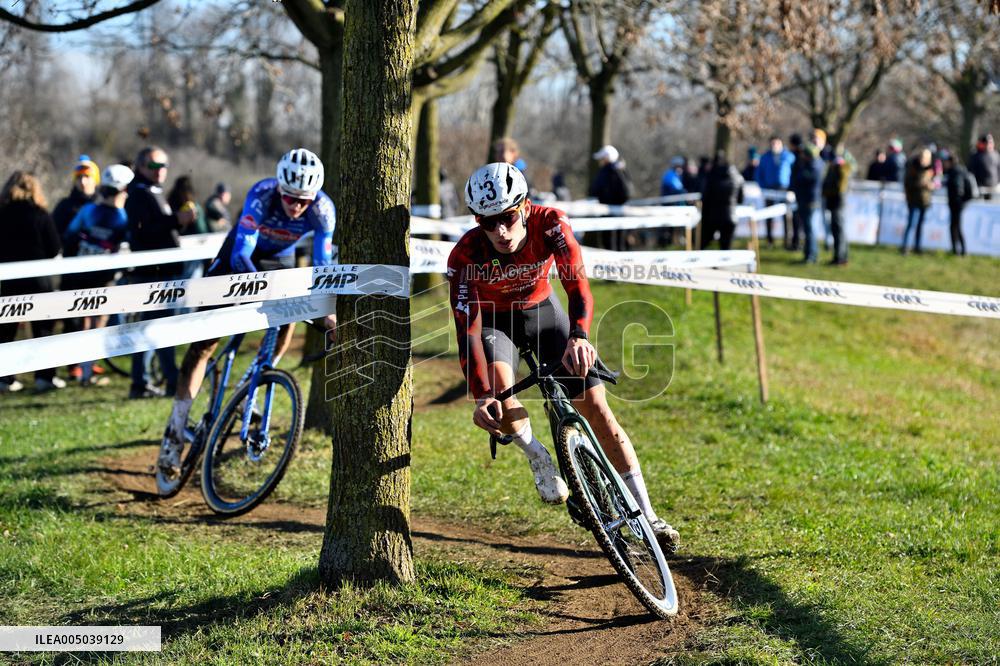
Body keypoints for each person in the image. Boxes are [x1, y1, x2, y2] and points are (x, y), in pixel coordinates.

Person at [448, 162, 680, 552]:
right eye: (488, 222)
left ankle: (649, 516)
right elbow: (466, 327)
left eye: (507, 218)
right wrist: (482, 393)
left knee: (597, 409)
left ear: (523, 206)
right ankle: (538, 457)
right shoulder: (466, 254)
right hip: (493, 323)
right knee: (502, 392)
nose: (500, 231)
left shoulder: (550, 222)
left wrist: (580, 335)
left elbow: (577, 282)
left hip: (543, 312)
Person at [157, 148, 337, 479]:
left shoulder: (324, 209)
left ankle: (248, 387)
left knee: (289, 318)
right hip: (237, 259)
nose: (296, 207)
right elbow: (242, 254)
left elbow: (322, 266)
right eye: (291, 198)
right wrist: (261, 292)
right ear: (280, 188)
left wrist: (327, 312)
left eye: (304, 201)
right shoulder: (262, 194)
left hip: (278, 260)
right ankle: (174, 434)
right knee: (203, 345)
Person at [125, 146, 194, 399]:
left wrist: (181, 222)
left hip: (162, 270)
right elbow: (143, 232)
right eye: (154, 166)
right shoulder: (138, 194)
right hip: (151, 273)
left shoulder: (153, 192)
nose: (160, 171)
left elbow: (162, 231)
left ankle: (142, 383)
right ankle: (170, 381)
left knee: (151, 327)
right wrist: (177, 219)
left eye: (163, 165)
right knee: (160, 327)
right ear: (141, 167)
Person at [62, 164, 135, 385]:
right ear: (123, 191)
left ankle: (85, 371)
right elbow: (129, 242)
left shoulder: (88, 210)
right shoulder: (122, 217)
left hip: (83, 271)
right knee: (97, 322)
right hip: (104, 277)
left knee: (86, 322)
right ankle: (87, 371)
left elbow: (70, 234)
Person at [0, 171, 64, 393]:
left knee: (6, 331)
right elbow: (54, 247)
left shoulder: (2, 214)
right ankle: (44, 377)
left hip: (9, 279)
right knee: (43, 329)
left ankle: (5, 378)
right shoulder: (40, 214)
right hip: (39, 279)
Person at [51, 155, 100, 380]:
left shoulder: (101, 204)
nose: (83, 181)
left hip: (98, 269)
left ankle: (90, 359)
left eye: (87, 177)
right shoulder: (65, 205)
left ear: (95, 179)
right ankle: (72, 364)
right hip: (73, 268)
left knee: (96, 315)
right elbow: (54, 234)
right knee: (73, 318)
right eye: (79, 177)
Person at [588, 145, 632, 249]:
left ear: (606, 158)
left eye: (602, 159)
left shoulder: (606, 171)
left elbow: (594, 190)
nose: (600, 162)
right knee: (620, 242)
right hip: (622, 210)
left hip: (608, 210)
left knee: (609, 242)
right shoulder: (622, 169)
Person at [755, 135, 795, 246]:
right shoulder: (765, 157)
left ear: (781, 143)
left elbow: (794, 172)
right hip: (769, 189)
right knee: (768, 214)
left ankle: (787, 240)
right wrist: (763, 186)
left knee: (786, 215)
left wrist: (792, 188)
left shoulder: (789, 157)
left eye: (776, 143)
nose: (774, 146)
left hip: (784, 189)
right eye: (772, 143)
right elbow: (759, 174)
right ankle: (769, 240)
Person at [700, 150, 744, 251]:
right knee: (726, 249)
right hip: (730, 217)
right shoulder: (738, 178)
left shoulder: (711, 177)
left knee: (701, 246)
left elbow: (705, 198)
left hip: (711, 218)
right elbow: (741, 199)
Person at [791, 141, 825, 263]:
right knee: (809, 229)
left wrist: (799, 168)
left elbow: (801, 179)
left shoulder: (814, 166)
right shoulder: (816, 164)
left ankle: (811, 256)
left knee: (809, 229)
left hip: (809, 201)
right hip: (809, 200)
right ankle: (810, 253)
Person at [942, 150, 976, 256]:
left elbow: (958, 188)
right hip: (958, 203)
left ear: (950, 162)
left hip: (956, 204)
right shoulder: (958, 170)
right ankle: (958, 250)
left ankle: (958, 250)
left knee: (955, 227)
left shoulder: (955, 171)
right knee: (956, 226)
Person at [901, 148, 935, 255]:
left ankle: (917, 247)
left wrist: (931, 186)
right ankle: (905, 247)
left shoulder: (930, 170)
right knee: (911, 224)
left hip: (925, 201)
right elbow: (908, 183)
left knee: (920, 225)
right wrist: (920, 184)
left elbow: (933, 183)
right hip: (913, 200)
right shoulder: (912, 167)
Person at [822, 149, 853, 265]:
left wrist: (827, 192)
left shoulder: (841, 170)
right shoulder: (835, 169)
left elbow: (839, 189)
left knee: (839, 231)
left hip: (838, 204)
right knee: (837, 230)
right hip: (834, 204)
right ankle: (839, 256)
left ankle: (840, 257)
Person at [967, 133, 998, 200]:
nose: (988, 145)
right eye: (985, 143)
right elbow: (970, 173)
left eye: (990, 143)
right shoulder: (975, 156)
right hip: (980, 189)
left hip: (994, 188)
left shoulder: (996, 155)